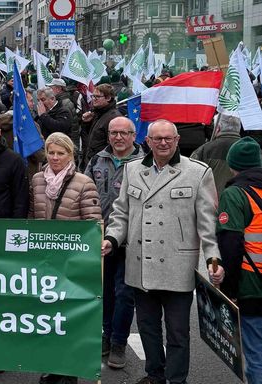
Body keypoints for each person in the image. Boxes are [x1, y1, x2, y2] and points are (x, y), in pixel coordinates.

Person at [102, 119, 225, 384]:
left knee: (178, 332)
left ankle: (176, 380)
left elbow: (207, 225)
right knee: (147, 327)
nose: (163, 143)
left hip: (177, 266)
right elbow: (121, 212)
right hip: (141, 265)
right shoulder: (133, 170)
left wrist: (213, 260)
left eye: (168, 138)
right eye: (157, 138)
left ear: (177, 140)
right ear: (147, 142)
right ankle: (154, 375)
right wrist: (112, 238)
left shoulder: (198, 172)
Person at [30, 132, 101, 384]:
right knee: (48, 318)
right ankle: (51, 365)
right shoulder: (38, 180)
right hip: (44, 261)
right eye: (51, 152)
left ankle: (69, 371)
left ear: (70, 154)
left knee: (70, 318)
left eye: (61, 153)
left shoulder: (83, 183)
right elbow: (32, 217)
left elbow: (94, 224)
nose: (56, 157)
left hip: (72, 264)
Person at [84, 117, 145, 369]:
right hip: (102, 237)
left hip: (132, 240)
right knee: (105, 292)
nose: (118, 137)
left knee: (124, 293)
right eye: (113, 133)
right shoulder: (97, 160)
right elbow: (85, 190)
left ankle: (119, 342)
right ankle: (106, 336)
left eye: (123, 133)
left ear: (133, 135)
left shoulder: (145, 163)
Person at [216, 137, 262, 384]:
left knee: (256, 355)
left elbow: (231, 245)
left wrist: (229, 290)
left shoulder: (235, 194)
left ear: (233, 164)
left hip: (252, 285)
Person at [191, 113, 242, 195]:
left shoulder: (203, 150)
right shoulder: (253, 151)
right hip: (245, 203)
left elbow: (191, 177)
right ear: (238, 128)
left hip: (211, 203)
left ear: (217, 128)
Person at [80, 84, 121, 168]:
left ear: (108, 98)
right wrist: (87, 123)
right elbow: (91, 138)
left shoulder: (114, 118)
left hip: (101, 166)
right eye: (93, 96)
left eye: (97, 97)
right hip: (91, 163)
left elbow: (114, 147)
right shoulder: (98, 113)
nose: (93, 99)